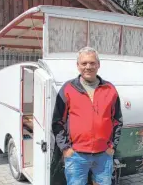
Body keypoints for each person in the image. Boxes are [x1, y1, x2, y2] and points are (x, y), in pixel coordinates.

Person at [52, 46, 123, 185]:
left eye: (92, 63)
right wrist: (65, 148)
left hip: (103, 154)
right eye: (84, 63)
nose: (88, 67)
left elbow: (117, 120)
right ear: (78, 66)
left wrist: (112, 146)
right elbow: (57, 121)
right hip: (76, 155)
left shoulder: (110, 89)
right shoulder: (68, 88)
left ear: (98, 65)